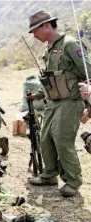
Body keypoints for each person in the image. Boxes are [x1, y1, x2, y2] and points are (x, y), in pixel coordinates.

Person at [27, 10, 91, 197]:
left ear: (46, 25)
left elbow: (88, 74)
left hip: (70, 102)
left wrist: (89, 107)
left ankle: (73, 180)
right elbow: (54, 79)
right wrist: (39, 95)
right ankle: (49, 174)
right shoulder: (49, 48)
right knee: (45, 138)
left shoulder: (71, 45)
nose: (34, 35)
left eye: (35, 30)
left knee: (62, 140)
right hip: (53, 102)